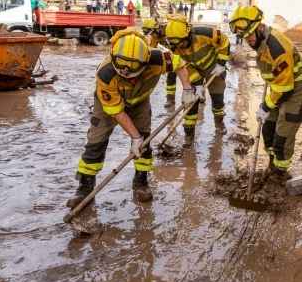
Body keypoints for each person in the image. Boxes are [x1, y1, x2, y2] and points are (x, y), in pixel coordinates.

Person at [67, 30, 195, 207]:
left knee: (144, 141)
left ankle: (141, 182)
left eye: (132, 71)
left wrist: (188, 89)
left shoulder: (158, 58)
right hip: (108, 107)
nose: (127, 74)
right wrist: (134, 138)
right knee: (96, 142)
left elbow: (180, 65)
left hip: (140, 101)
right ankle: (85, 188)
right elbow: (117, 111)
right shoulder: (105, 73)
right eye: (122, 71)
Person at [229, 5, 302, 183]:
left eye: (250, 35)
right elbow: (276, 80)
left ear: (260, 27)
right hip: (280, 88)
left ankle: (279, 173)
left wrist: (266, 105)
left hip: (297, 90)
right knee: (268, 129)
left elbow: (285, 89)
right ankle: (272, 163)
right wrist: (267, 106)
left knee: (282, 137)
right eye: (245, 37)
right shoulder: (260, 42)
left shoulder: (277, 48)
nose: (249, 40)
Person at [164, 15, 231, 137]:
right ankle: (188, 137)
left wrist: (221, 63)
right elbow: (184, 65)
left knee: (217, 100)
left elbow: (225, 41)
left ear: (188, 35)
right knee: (190, 103)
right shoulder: (174, 46)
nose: (180, 47)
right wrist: (197, 84)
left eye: (182, 43)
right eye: (176, 44)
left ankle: (219, 124)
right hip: (193, 68)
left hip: (214, 67)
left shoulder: (205, 33)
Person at [142, 17, 176, 104]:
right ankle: (170, 99)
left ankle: (196, 93)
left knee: (189, 77)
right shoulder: (148, 37)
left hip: (176, 53)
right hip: (168, 54)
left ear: (155, 29)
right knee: (171, 76)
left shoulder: (165, 32)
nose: (146, 34)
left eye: (148, 31)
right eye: (144, 31)